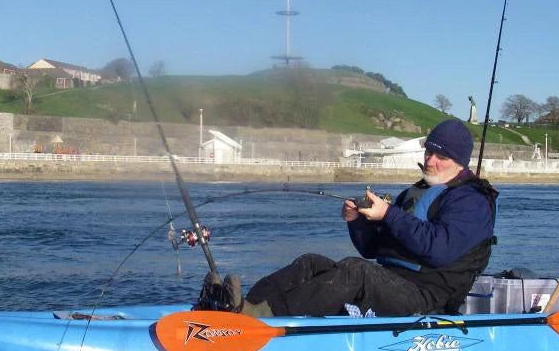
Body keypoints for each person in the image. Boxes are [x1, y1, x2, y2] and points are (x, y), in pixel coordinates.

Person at [194, 119, 497, 317]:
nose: (430, 160)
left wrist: (388, 213)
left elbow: (438, 248)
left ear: (459, 162)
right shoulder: (415, 193)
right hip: (395, 283)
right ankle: (244, 306)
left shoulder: (472, 202)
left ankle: (260, 317)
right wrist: (358, 222)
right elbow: (373, 250)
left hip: (429, 299)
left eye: (440, 156)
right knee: (311, 261)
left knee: (356, 271)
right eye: (429, 151)